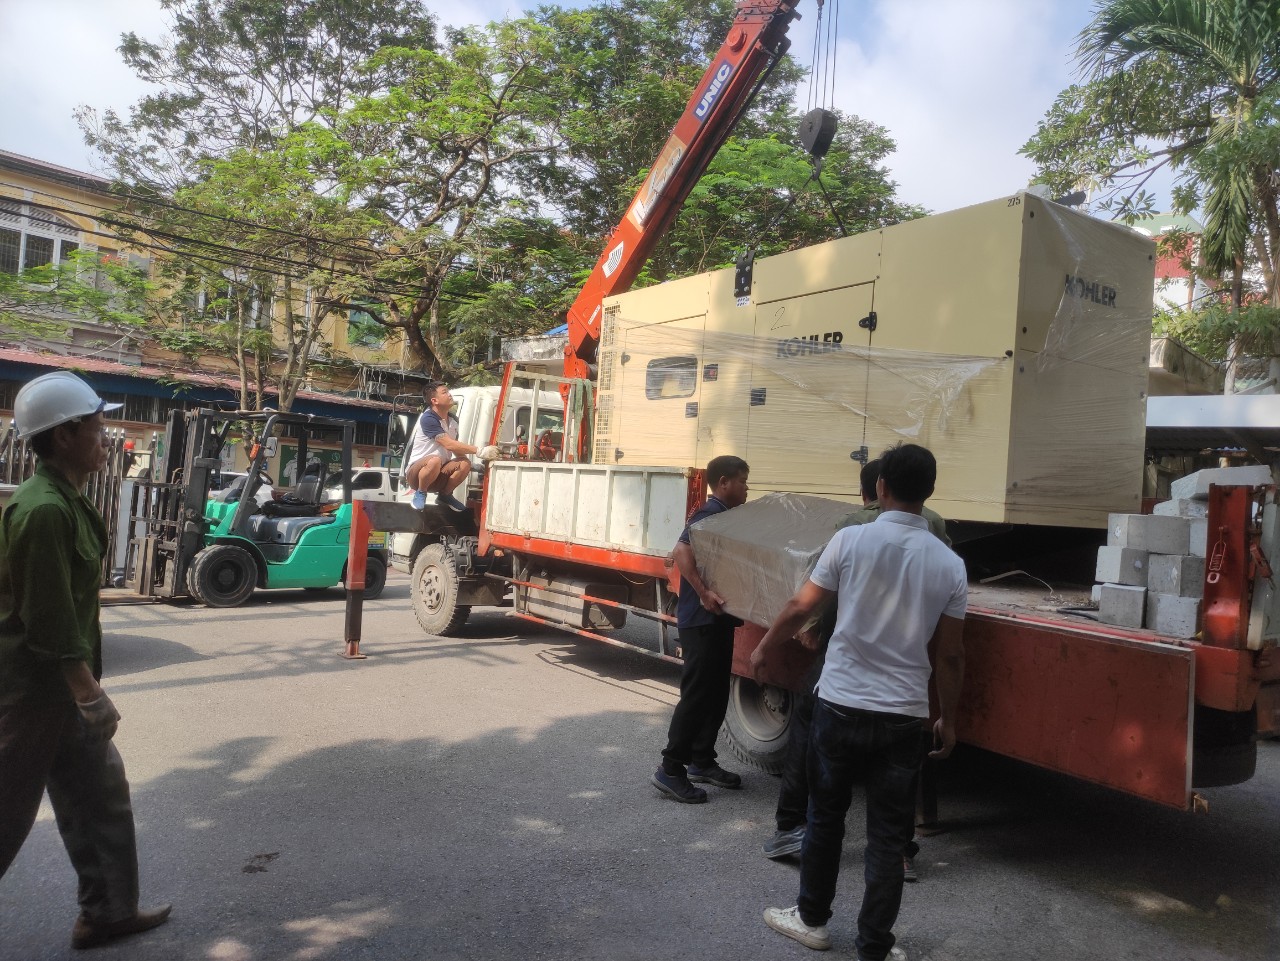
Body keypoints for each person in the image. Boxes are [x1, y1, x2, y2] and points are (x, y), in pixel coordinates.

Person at [751, 443, 966, 961]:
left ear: (881, 488)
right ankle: (874, 946)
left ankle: (812, 921)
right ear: (930, 492)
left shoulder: (850, 540)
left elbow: (801, 605)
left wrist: (764, 648)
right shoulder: (950, 564)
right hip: (903, 715)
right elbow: (951, 655)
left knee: (826, 817)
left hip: (840, 704)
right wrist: (949, 719)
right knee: (889, 837)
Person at [0, 371, 171, 951]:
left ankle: (108, 913)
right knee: (5, 811)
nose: (107, 438)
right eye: (97, 428)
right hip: (31, 692)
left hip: (63, 690)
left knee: (101, 794)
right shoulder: (43, 510)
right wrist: (89, 693)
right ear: (65, 436)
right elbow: (46, 620)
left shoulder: (67, 500)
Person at [651, 455, 750, 803]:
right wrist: (704, 593)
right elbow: (681, 551)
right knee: (696, 696)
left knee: (716, 694)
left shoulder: (725, 514)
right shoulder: (709, 514)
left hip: (718, 620)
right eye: (742, 481)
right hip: (701, 620)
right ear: (723, 482)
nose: (746, 488)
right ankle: (670, 769)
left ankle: (702, 760)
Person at [403, 381, 497, 512]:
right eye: (444, 392)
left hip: (438, 475)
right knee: (435, 460)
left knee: (465, 463)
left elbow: (454, 447)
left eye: (448, 391)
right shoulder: (428, 418)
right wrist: (480, 451)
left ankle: (445, 495)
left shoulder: (453, 420)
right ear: (434, 400)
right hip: (417, 476)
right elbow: (448, 443)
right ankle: (421, 492)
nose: (449, 394)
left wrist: (470, 465)